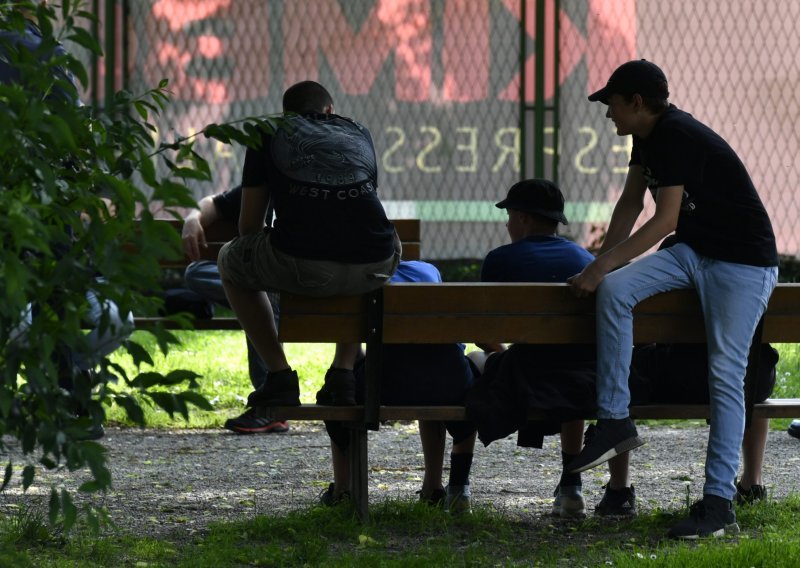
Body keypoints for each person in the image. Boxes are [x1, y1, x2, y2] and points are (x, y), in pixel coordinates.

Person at [567, 60, 779, 539]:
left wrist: (600, 267)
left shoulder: (677, 134)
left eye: (612, 104)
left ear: (637, 103)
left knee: (725, 373)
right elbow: (629, 205)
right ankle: (616, 419)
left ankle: (718, 503)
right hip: (694, 252)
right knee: (617, 291)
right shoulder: (646, 138)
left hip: (741, 262)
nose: (608, 115)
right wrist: (598, 268)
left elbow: (665, 221)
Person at [218, 80, 400, 409]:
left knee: (230, 261)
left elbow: (248, 227)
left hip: (301, 264)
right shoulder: (359, 130)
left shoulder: (268, 130)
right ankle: (343, 373)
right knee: (357, 246)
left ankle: (279, 376)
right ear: (329, 110)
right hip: (377, 262)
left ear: (287, 112)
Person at [464, 179, 596, 519]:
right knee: (568, 368)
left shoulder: (500, 260)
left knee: (473, 360)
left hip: (523, 378)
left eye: (509, 215)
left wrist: (503, 353)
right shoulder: (585, 259)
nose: (507, 223)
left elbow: (484, 332)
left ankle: (456, 487)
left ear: (522, 218)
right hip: (580, 379)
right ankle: (571, 487)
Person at [320, 261, 479, 513]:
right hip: (446, 384)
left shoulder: (358, 279)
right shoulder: (428, 271)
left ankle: (343, 490)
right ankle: (435, 487)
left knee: (336, 390)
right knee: (432, 371)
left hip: (383, 385)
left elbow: (347, 347)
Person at [594, 340, 780, 516]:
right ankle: (753, 484)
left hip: (684, 375)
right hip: (754, 373)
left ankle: (619, 490)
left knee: (622, 370)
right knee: (750, 371)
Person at [181, 185, 288, 434]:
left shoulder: (305, 188)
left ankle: (272, 407)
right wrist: (193, 218)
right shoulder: (263, 187)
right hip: (267, 280)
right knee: (197, 272)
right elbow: (216, 203)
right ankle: (271, 404)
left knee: (256, 290)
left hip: (300, 283)